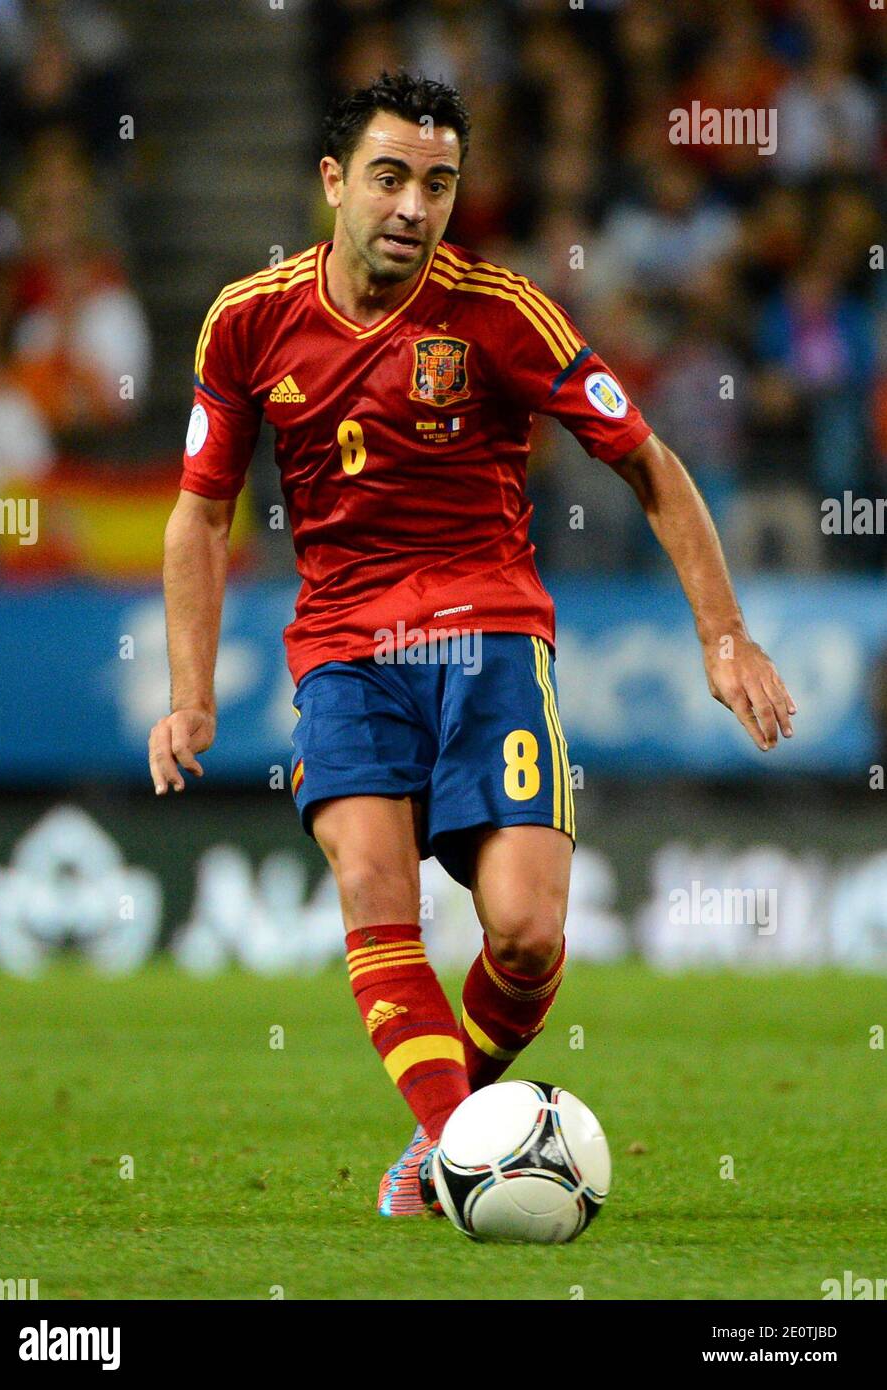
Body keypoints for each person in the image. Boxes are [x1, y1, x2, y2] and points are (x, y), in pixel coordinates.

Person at [148, 71, 796, 1219]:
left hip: (490, 636)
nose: (413, 207)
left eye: (439, 184)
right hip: (346, 645)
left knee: (529, 933)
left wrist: (725, 634)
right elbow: (200, 511)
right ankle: (455, 1154)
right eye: (391, 178)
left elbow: (648, 461)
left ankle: (445, 1131)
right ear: (334, 182)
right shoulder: (248, 321)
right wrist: (189, 697)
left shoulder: (501, 313)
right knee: (368, 879)